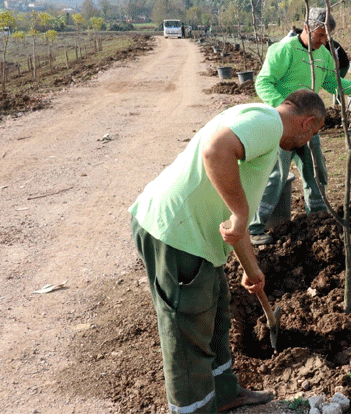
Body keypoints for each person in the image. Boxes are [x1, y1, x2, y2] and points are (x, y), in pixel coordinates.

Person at [129, 89, 327, 413]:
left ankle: (223, 393)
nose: (306, 143)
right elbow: (215, 150)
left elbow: (237, 220)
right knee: (187, 334)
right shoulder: (268, 124)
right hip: (177, 234)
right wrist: (238, 212)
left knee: (218, 313)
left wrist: (253, 269)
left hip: (197, 237)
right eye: (313, 134)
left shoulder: (256, 120)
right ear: (307, 123)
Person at [250, 8, 351, 245]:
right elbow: (263, 82)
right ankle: (253, 227)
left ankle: (317, 218)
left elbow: (332, 83)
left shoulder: (324, 56)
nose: (322, 41)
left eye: (326, 37)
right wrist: (286, 111)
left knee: (316, 171)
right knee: (276, 174)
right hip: (282, 126)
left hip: (308, 126)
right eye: (319, 35)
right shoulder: (283, 50)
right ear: (307, 28)